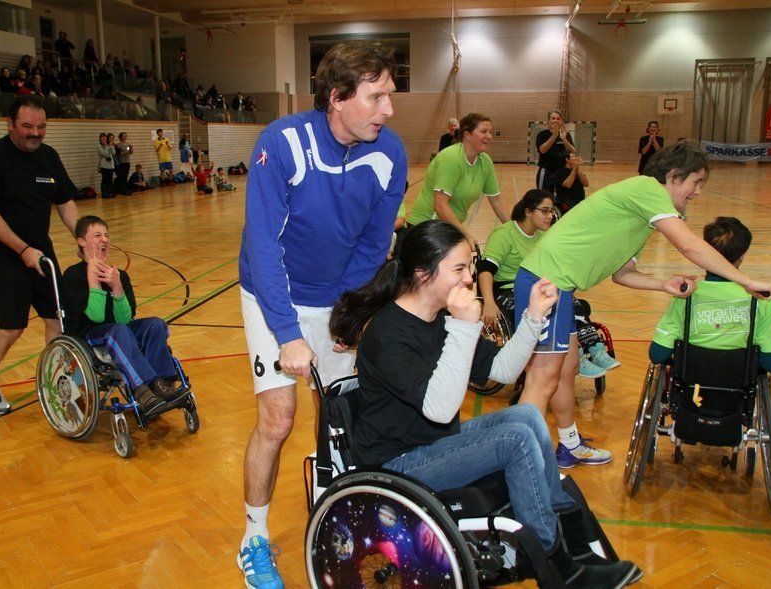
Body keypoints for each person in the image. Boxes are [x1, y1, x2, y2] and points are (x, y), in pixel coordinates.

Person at [329, 220, 640, 588]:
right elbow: (439, 410)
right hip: (397, 463)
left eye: (471, 267)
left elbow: (503, 370)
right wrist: (463, 328)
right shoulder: (388, 333)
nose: (469, 279)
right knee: (515, 440)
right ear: (423, 273)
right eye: (460, 269)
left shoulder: (440, 318)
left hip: (432, 443)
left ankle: (570, 541)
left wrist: (533, 316)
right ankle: (558, 569)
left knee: (527, 416)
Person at [237, 42, 407, 588]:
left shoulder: (390, 153)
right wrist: (288, 333)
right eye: (376, 97)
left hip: (337, 297)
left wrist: (347, 312)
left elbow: (374, 244)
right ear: (337, 97)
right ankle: (254, 537)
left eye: (390, 95)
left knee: (344, 413)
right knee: (278, 419)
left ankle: (338, 507)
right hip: (273, 295)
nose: (388, 109)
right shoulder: (283, 142)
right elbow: (263, 244)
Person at [515, 141, 771, 469]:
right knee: (542, 380)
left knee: (566, 372)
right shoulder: (647, 189)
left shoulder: (644, 215)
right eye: (696, 182)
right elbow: (689, 245)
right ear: (674, 176)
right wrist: (744, 280)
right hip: (544, 284)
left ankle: (568, 445)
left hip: (559, 288)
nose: (697, 192)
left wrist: (662, 284)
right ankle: (516, 464)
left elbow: (623, 274)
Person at [0, 96, 79, 415]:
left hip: (41, 252)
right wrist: (23, 250)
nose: (35, 133)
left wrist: (82, 235)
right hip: (3, 256)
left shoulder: (49, 156)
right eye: (28, 126)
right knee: (12, 326)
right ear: (10, 124)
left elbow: (65, 202)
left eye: (41, 127)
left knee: (57, 317)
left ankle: (56, 378)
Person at [477, 190, 617, 380]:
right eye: (544, 211)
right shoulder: (505, 234)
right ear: (528, 211)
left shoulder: (543, 237)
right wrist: (488, 302)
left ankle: (594, 348)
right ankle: (574, 355)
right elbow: (485, 269)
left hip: (540, 288)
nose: (550, 216)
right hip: (507, 290)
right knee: (550, 310)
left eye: (551, 211)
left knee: (574, 305)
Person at [62, 215, 188, 417]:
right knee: (118, 331)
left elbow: (125, 319)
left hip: (118, 330)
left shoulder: (119, 274)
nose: (105, 239)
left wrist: (117, 287)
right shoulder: (73, 275)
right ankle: (143, 392)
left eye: (107, 235)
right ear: (81, 241)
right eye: (97, 235)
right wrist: (94, 282)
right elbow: (95, 317)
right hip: (88, 334)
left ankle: (162, 384)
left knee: (155, 324)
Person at [650, 216, 771, 372]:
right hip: (740, 377)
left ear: (704, 252)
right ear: (742, 255)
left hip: (691, 375)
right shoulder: (760, 298)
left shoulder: (686, 294)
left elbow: (658, 354)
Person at [406, 112, 509, 248]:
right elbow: (440, 205)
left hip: (448, 228)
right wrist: (466, 235)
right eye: (484, 131)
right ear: (467, 135)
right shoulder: (451, 158)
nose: (489, 136)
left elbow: (496, 200)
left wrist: (513, 230)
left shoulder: (485, 161)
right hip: (426, 228)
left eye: (490, 132)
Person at [535, 108, 575, 194]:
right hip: (546, 172)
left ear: (561, 121)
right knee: (543, 196)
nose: (555, 120)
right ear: (548, 121)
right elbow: (542, 150)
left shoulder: (565, 134)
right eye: (553, 118)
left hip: (562, 171)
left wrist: (564, 139)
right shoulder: (542, 135)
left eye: (558, 119)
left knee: (560, 197)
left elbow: (572, 150)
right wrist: (554, 136)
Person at [97, 133, 116, 198]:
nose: (104, 138)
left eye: (104, 137)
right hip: (104, 166)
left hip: (111, 165)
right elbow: (105, 154)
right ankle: (104, 194)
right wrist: (106, 146)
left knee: (110, 180)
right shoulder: (99, 146)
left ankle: (109, 192)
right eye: (102, 137)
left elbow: (113, 153)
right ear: (100, 139)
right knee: (104, 180)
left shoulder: (109, 145)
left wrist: (110, 146)